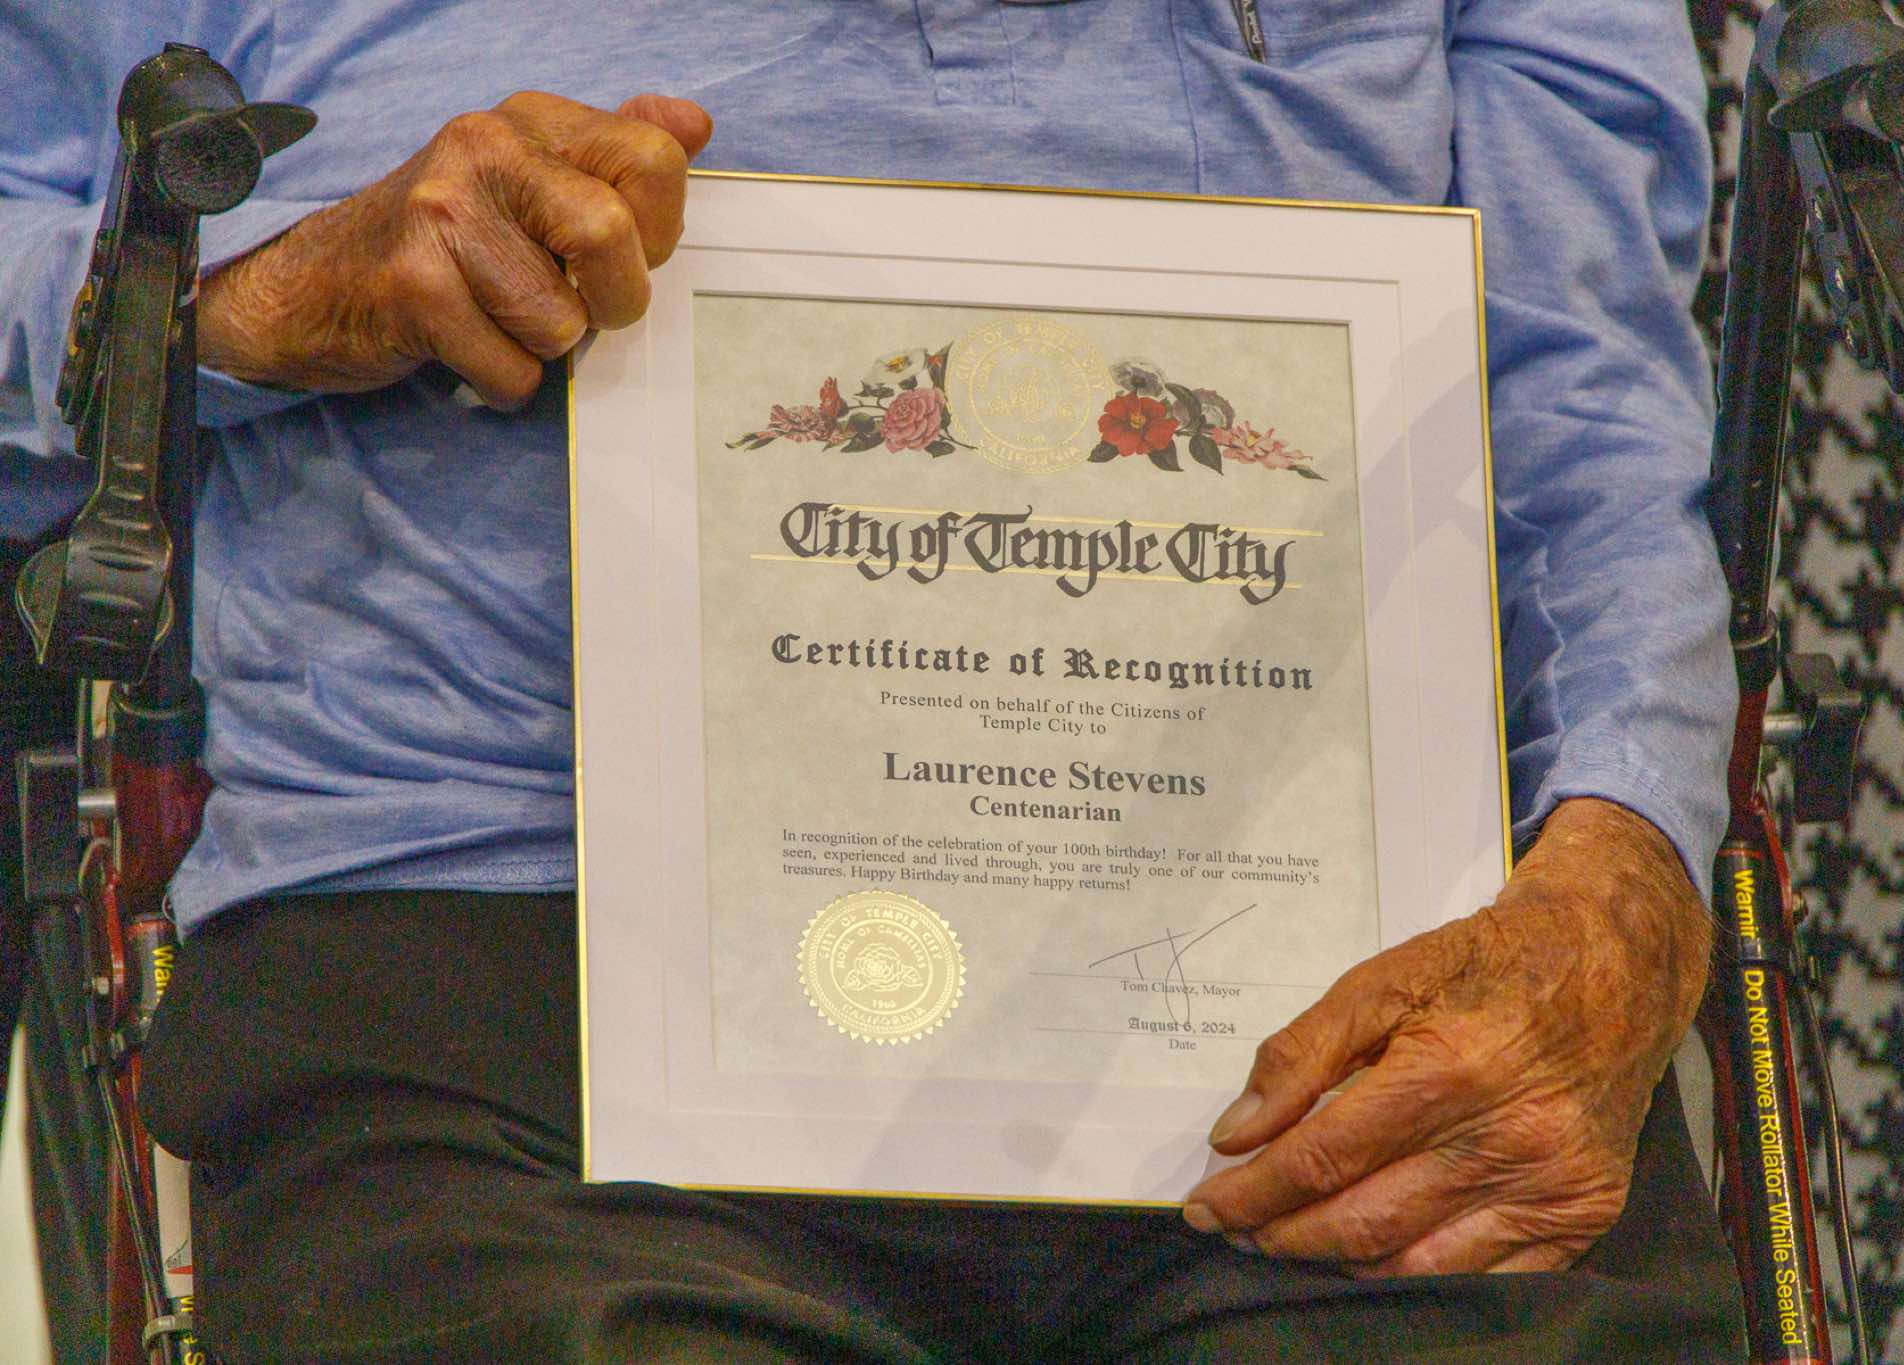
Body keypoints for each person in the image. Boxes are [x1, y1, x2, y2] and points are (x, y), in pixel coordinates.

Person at [1, 3, 1743, 1360]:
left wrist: (1626, 863)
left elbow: (1583, 391)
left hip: (1318, 984)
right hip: (501, 957)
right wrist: (257, 296)